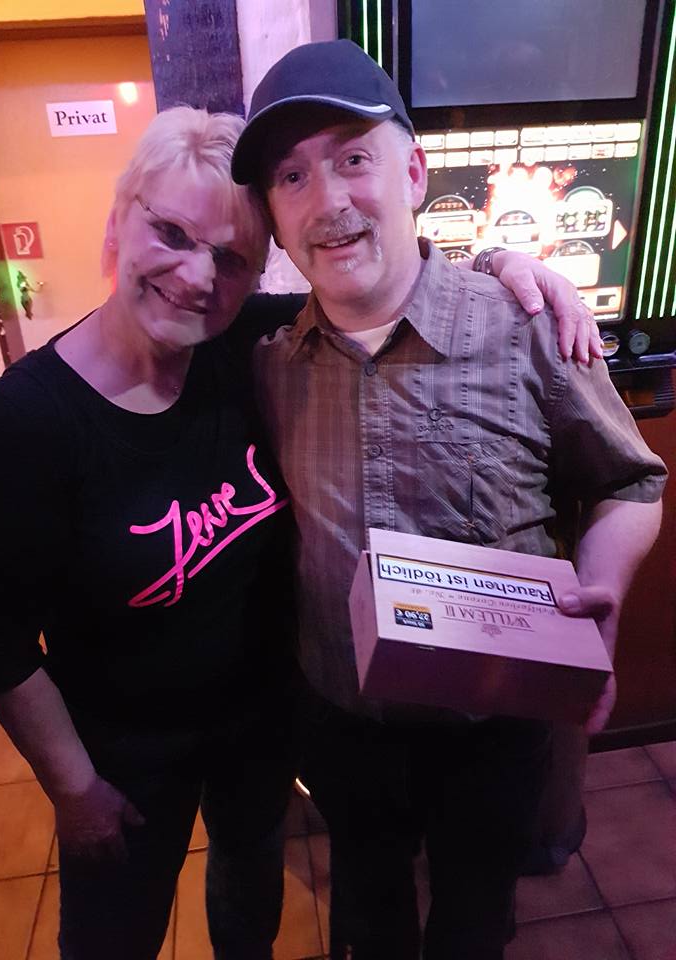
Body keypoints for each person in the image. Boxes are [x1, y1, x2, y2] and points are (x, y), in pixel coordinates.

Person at [0, 104, 600, 958]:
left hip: (259, 724)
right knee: (114, 934)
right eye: (171, 233)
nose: (196, 276)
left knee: (248, 889)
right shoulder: (26, 421)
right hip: (123, 752)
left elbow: (389, 279)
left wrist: (506, 265)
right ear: (119, 219)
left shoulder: (246, 345)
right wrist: (72, 787)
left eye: (231, 259)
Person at [230, 39, 668, 960]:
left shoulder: (528, 324)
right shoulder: (268, 365)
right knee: (371, 923)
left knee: (474, 926)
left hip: (491, 732)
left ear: (415, 173)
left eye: (354, 158)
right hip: (342, 723)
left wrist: (604, 586)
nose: (328, 199)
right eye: (292, 176)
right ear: (272, 216)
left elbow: (632, 481)